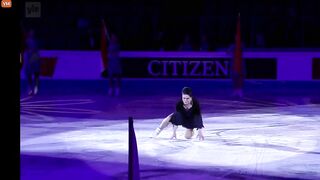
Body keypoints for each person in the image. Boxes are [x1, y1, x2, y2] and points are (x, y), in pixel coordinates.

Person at [23, 28, 41, 95]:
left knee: (36, 73)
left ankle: (36, 88)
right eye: (31, 32)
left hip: (35, 57)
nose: (32, 34)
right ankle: (30, 88)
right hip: (29, 57)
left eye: (33, 32)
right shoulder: (26, 42)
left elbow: (37, 50)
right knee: (29, 73)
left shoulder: (36, 41)